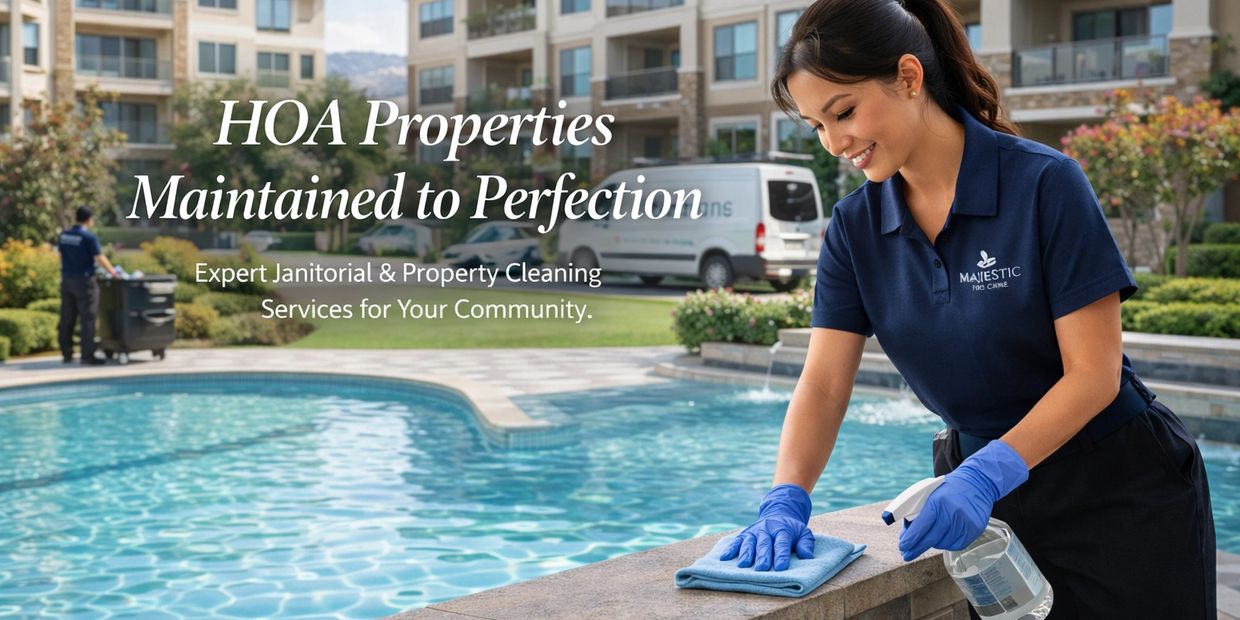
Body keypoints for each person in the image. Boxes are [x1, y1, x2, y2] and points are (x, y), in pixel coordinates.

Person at [719, 0, 1216, 617]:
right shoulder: (853, 228)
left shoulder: (1044, 183)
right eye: (816, 126)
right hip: (986, 510)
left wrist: (986, 475)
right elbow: (822, 383)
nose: (833, 143)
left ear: (908, 76)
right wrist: (786, 496)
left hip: (1118, 488)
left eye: (842, 112)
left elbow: (1095, 373)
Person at [58, 206, 121, 365]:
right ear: (89, 219)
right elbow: (99, 258)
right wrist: (113, 273)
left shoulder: (64, 235)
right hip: (85, 282)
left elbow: (60, 256)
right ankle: (87, 355)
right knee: (88, 318)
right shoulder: (88, 237)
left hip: (67, 280)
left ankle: (67, 353)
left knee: (67, 317)